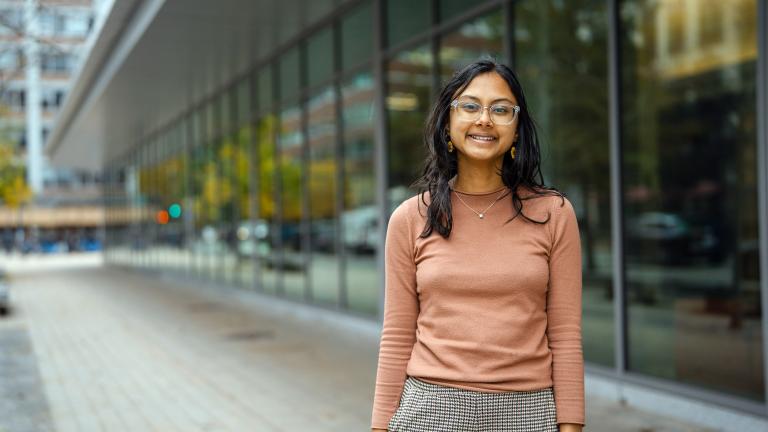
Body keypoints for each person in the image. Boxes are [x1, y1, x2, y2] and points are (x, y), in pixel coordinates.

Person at [370, 60, 584, 432]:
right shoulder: (409, 218)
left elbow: (565, 334)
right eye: (470, 106)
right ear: (448, 125)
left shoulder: (554, 213)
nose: (484, 119)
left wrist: (571, 424)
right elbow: (397, 334)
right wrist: (379, 426)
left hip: (528, 413)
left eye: (501, 109)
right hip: (430, 411)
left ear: (516, 130)